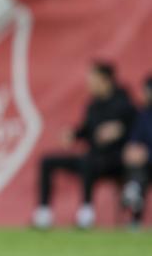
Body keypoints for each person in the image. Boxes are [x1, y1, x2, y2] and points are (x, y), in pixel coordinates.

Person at [33, 62, 135, 229]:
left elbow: (137, 129)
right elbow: (87, 130)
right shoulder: (93, 105)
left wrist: (120, 130)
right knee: (47, 161)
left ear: (105, 80)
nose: (89, 82)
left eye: (92, 78)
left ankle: (86, 212)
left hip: (115, 160)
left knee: (88, 162)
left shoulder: (124, 103)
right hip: (93, 157)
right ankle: (43, 213)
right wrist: (73, 134)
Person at [122, 76, 152, 226]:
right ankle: (135, 220)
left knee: (138, 173)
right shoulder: (143, 115)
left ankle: (133, 189)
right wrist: (131, 149)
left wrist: (147, 153)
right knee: (136, 167)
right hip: (144, 164)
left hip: (148, 158)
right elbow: (134, 138)